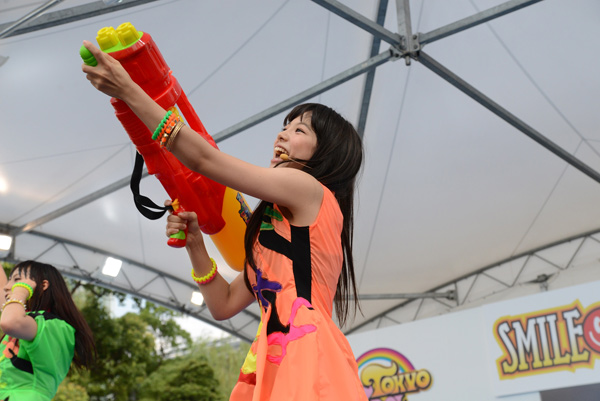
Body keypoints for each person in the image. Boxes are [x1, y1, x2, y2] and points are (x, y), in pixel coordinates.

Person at [82, 40, 367, 400]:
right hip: (276, 350)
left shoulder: (309, 189)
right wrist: (195, 245)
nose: (282, 133)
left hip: (305, 350)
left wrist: (129, 91)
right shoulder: (274, 233)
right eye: (286, 126)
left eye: (300, 131)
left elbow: (204, 160)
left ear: (326, 154)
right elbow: (224, 304)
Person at [0, 261, 96, 400]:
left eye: (17, 280)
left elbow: (10, 322)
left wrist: (21, 290)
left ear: (43, 285)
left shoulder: (53, 325)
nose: (8, 287)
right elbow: (3, 292)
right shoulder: (30, 320)